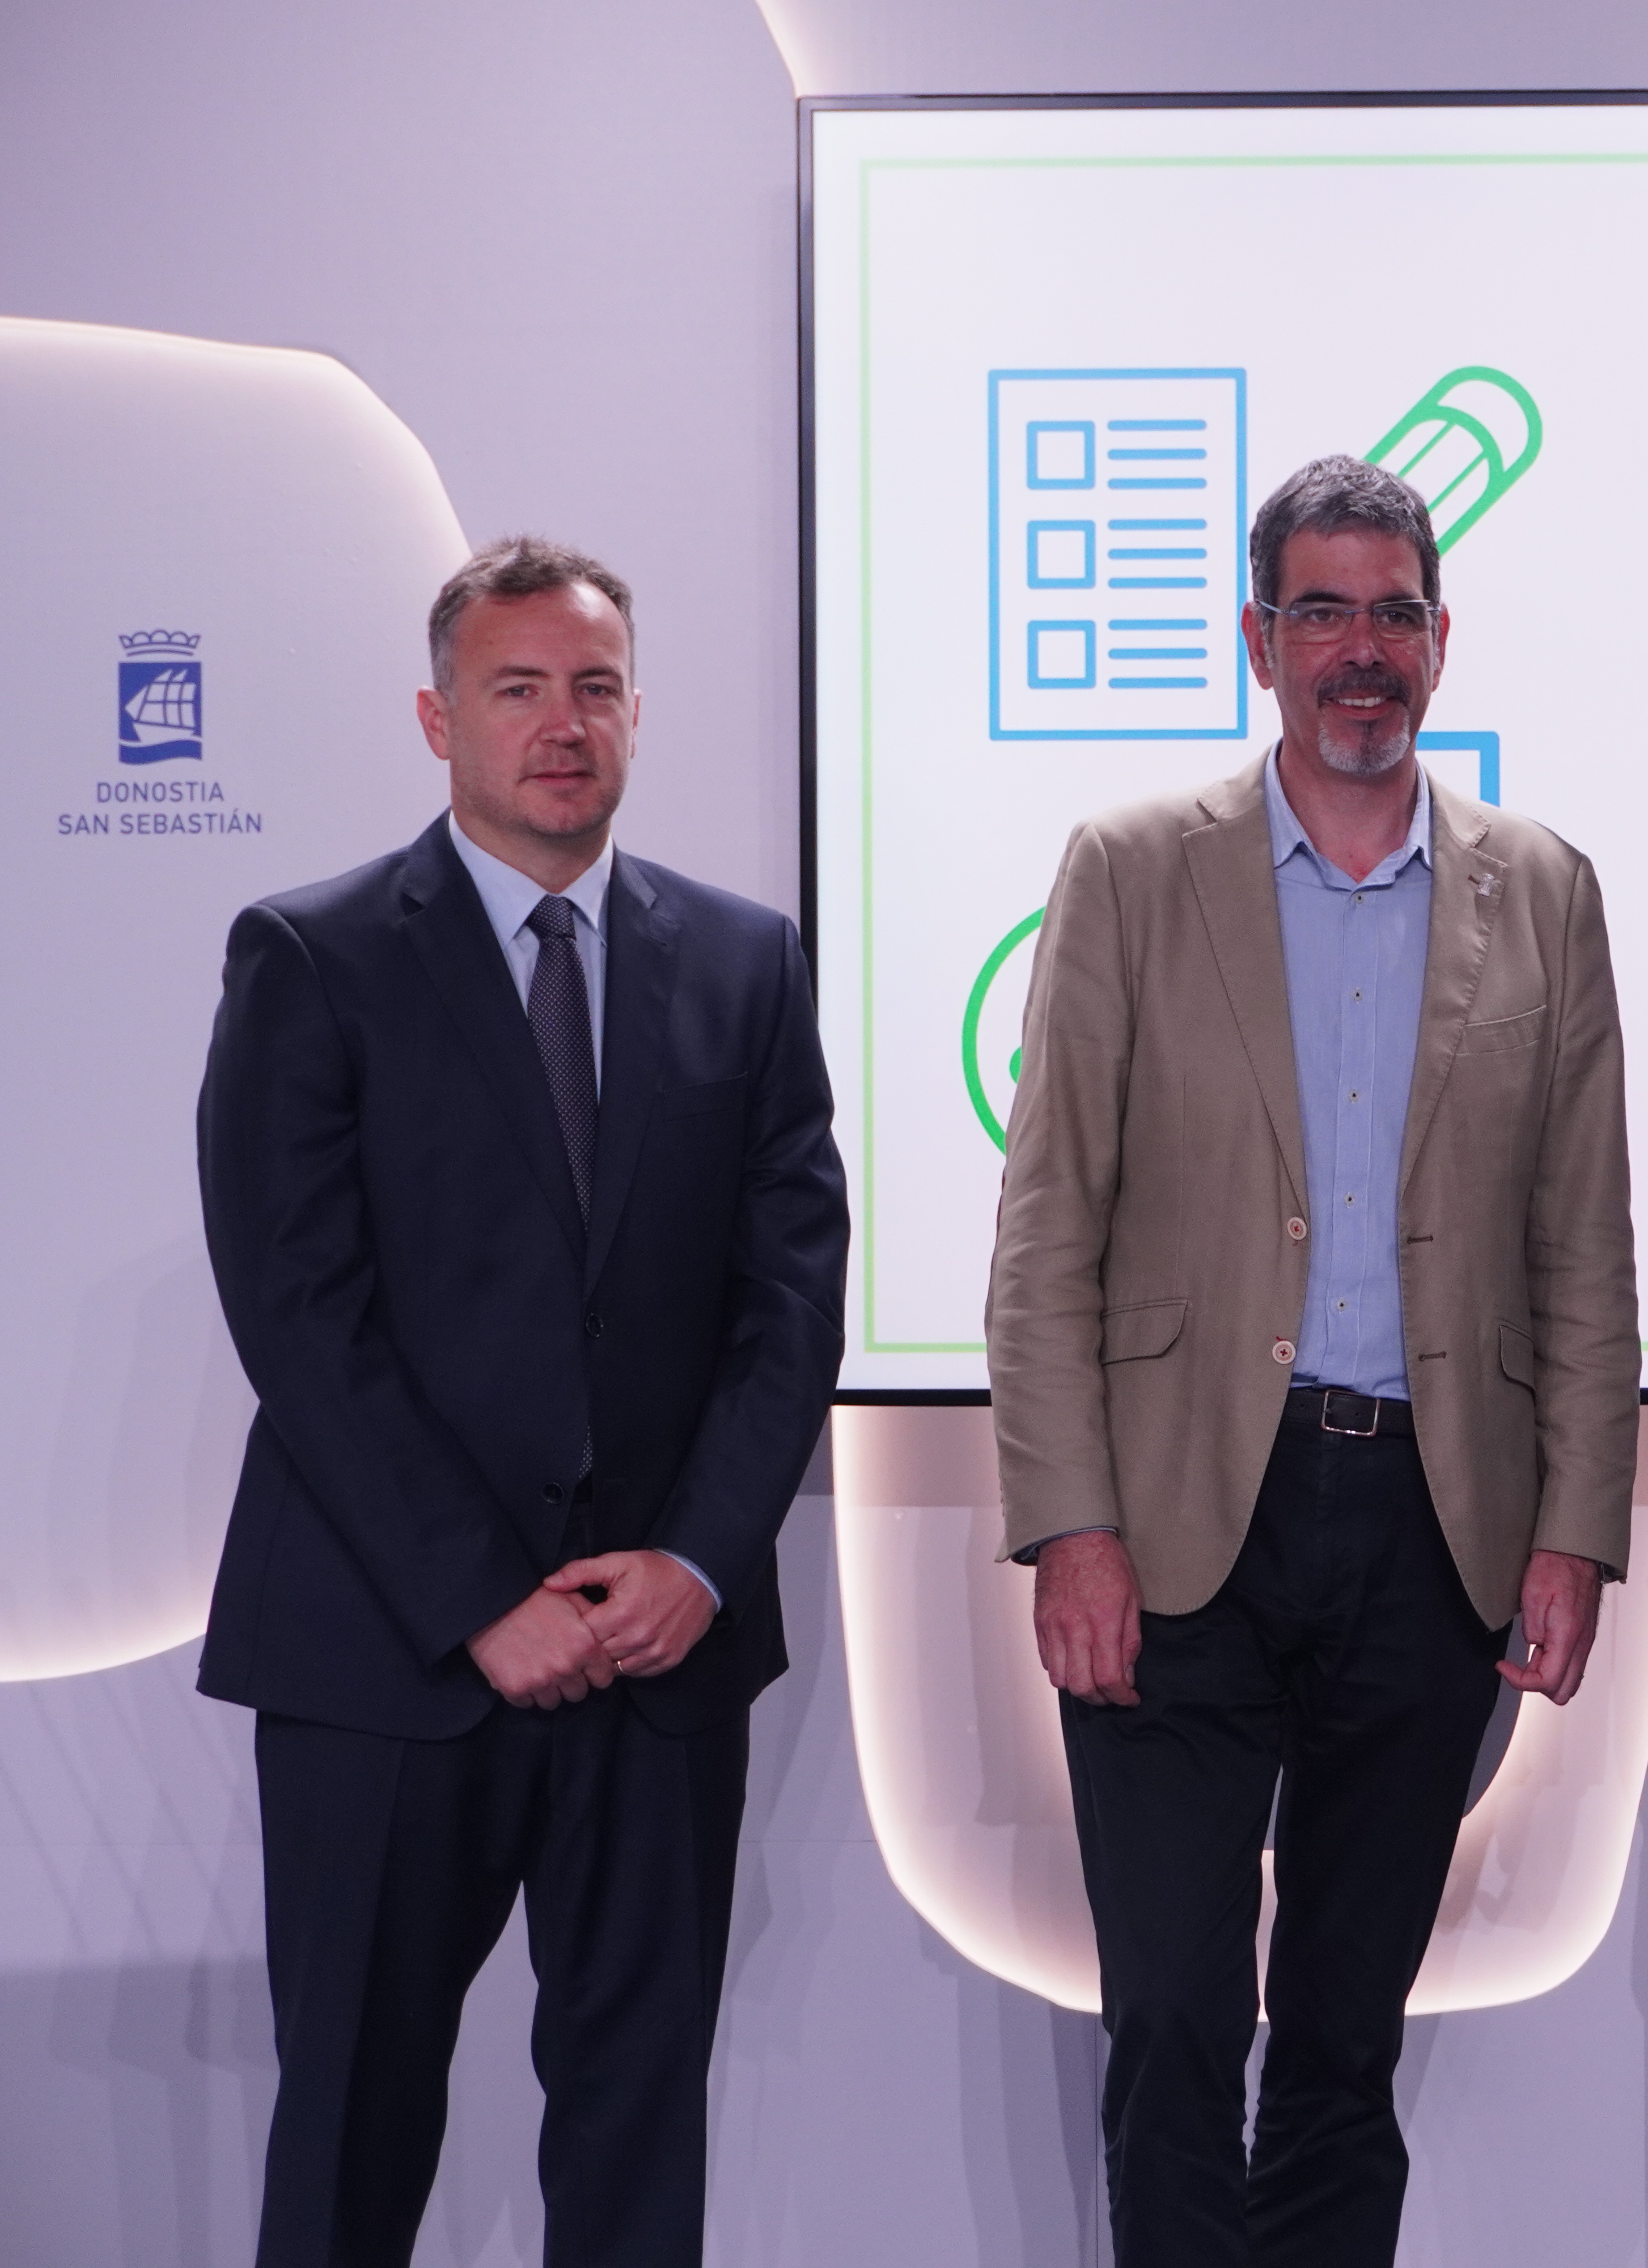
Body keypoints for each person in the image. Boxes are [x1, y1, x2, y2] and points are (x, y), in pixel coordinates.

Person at [985, 453, 1639, 2268]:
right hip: (1185, 1519)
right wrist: (1069, 1529)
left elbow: (1584, 1239)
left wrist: (1576, 1530)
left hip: (1433, 1532)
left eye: (1397, 614)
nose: (1365, 650)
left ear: (1445, 642)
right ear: (1260, 640)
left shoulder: (1547, 890)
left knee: (1346, 2046)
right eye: (1325, 613)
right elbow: (1048, 1226)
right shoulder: (1131, 872)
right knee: (1179, 2027)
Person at [195, 536, 848, 2267]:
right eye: (518, 689)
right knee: (350, 2126)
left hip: (659, 1655)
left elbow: (792, 1300)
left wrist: (698, 1562)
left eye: (597, 688)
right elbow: (298, 1312)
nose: (563, 725)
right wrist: (479, 1598)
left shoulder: (745, 962)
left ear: (639, 714)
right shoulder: (313, 958)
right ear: (438, 717)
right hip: (389, 1659)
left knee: (639, 2141)